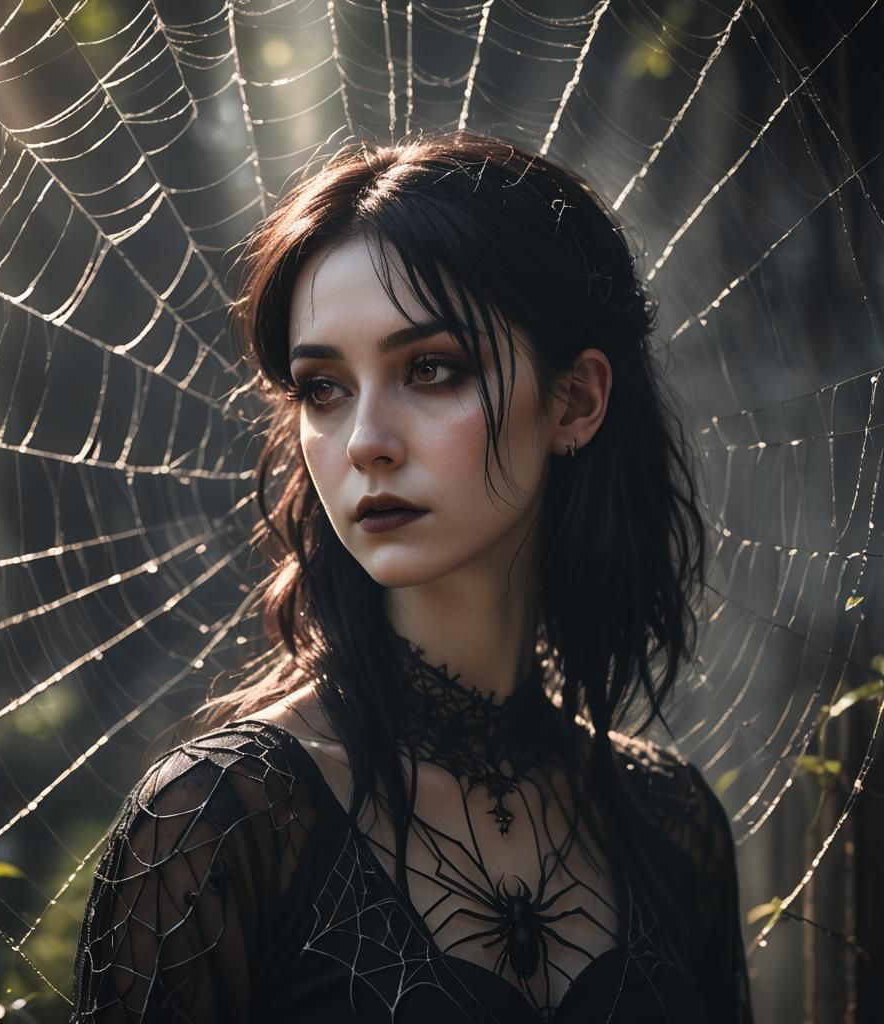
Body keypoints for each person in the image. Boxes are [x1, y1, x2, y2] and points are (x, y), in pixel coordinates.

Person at [70, 132, 754, 1023]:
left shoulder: (672, 824)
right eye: (323, 388)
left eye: (430, 369)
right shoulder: (221, 823)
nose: (364, 443)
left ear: (576, 401)